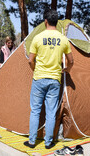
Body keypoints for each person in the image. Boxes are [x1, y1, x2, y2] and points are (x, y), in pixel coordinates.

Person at [23, 9, 74, 149]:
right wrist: (67, 70)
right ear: (56, 23)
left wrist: (35, 70)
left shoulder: (38, 38)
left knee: (35, 111)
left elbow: (30, 60)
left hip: (39, 78)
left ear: (45, 21)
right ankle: (48, 142)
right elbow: (71, 61)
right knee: (51, 112)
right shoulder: (63, 39)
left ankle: (32, 141)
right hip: (55, 79)